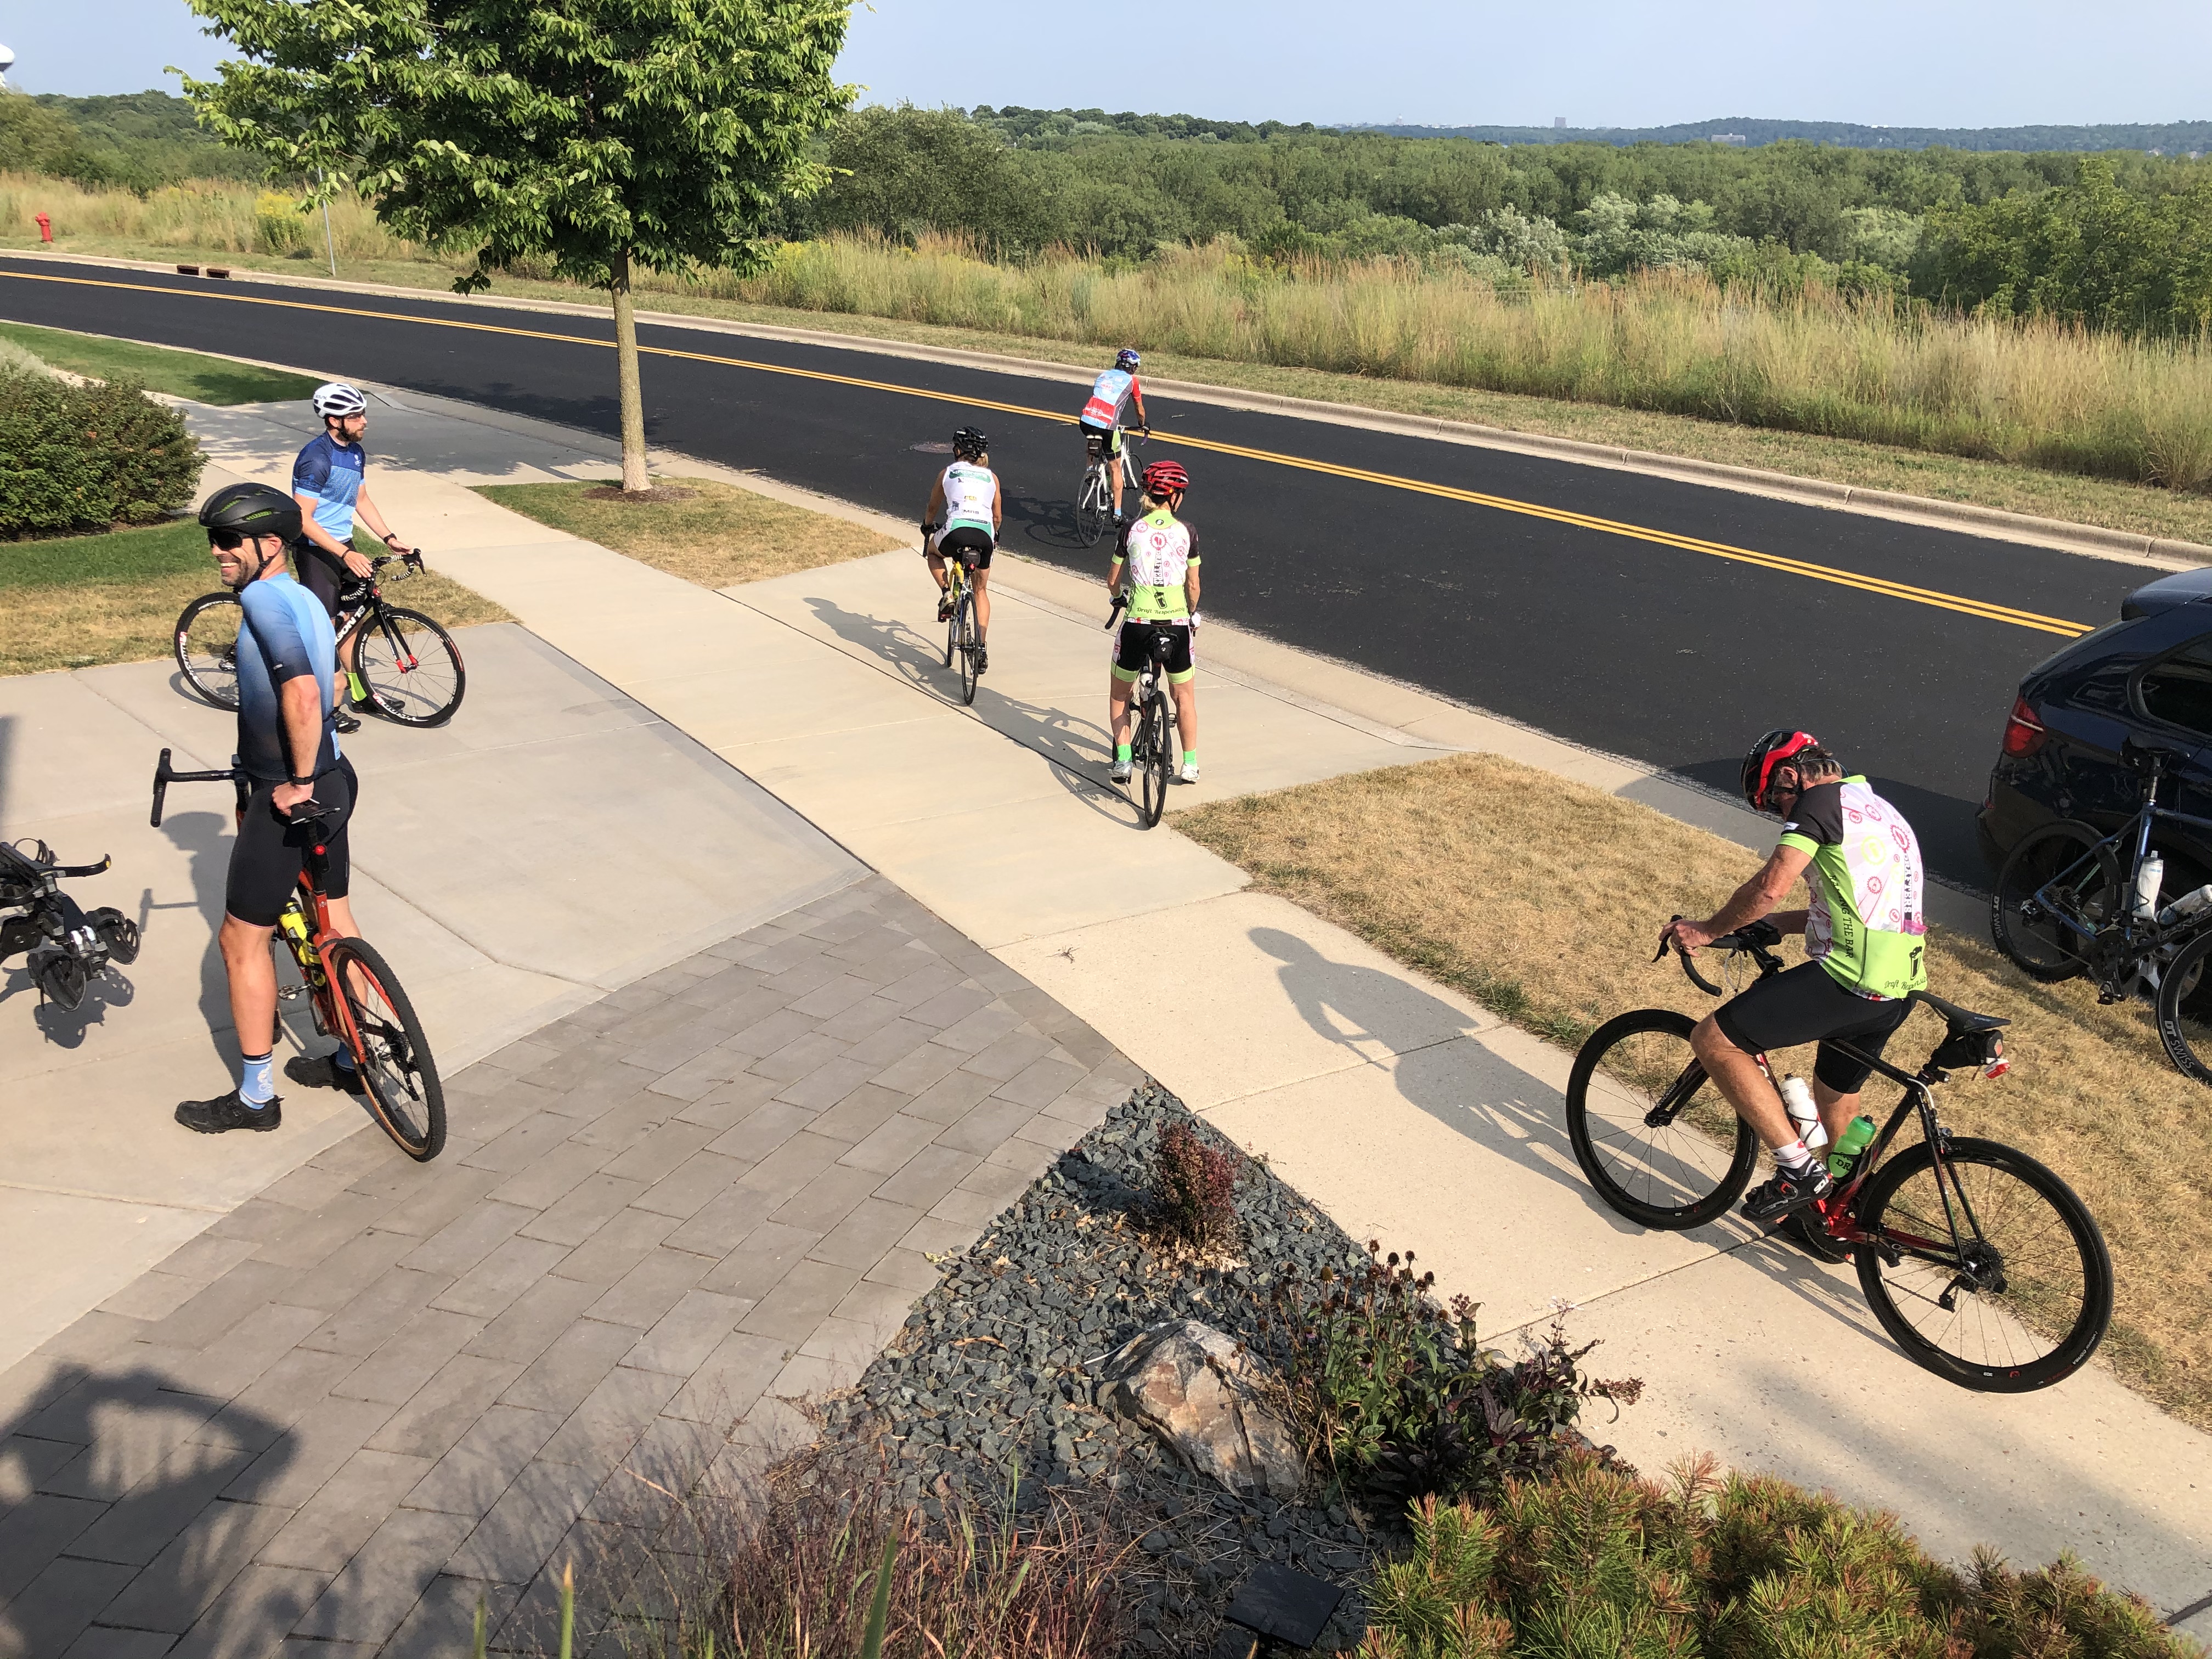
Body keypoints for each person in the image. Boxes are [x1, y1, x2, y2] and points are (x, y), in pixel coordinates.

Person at [1658, 731, 1928, 1224]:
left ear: (1789, 775)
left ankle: (1797, 1170)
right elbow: (1857, 906)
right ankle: (1838, 1224)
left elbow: (1770, 887)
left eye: (1775, 803)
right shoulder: (1876, 808)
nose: (1781, 815)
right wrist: (1774, 926)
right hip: (1898, 987)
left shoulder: (1818, 804)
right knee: (1836, 1104)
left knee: (1714, 1040)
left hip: (1848, 981)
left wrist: (1707, 929)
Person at [176, 482, 366, 1135]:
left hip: (295, 791)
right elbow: (337, 683)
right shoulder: (306, 597)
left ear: (270, 543)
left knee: (241, 940)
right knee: (335, 919)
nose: (217, 551)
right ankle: (354, 1055)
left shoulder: (261, 599)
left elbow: (306, 695)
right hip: (338, 780)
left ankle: (256, 1099)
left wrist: (296, 780)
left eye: (229, 540)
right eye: (214, 539)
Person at [292, 381, 409, 732]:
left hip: (343, 544)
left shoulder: (355, 453)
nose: (364, 421)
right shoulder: (316, 458)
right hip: (315, 550)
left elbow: (361, 499)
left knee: (353, 620)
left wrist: (389, 538)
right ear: (334, 420)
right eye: (356, 416)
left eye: (363, 414)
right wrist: (344, 553)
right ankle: (327, 706)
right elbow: (302, 518)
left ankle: (362, 693)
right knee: (324, 628)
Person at [1107, 459, 1201, 786]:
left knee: (1120, 695)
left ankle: (1123, 761)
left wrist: (1118, 596)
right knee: (1184, 697)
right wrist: (1191, 612)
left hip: (1138, 622)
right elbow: (1193, 586)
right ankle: (1190, 764)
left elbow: (1113, 580)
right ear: (1174, 496)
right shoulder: (1187, 531)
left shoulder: (1131, 528)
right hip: (1176, 623)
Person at [921, 426, 1002, 672]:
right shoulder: (992, 477)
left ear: (958, 450)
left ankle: (947, 593)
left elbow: (933, 507)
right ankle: (981, 647)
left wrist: (927, 527)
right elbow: (997, 517)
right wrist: (995, 535)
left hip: (956, 530)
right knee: (981, 590)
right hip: (984, 535)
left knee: (934, 553)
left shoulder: (947, 472)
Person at [1078, 348, 1149, 523]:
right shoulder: (1133, 381)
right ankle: (1117, 513)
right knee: (1116, 467)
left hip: (1086, 420)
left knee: (1093, 436)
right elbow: (1139, 409)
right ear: (1132, 367)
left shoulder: (1103, 375)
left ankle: (1090, 470)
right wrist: (1142, 424)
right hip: (1108, 426)